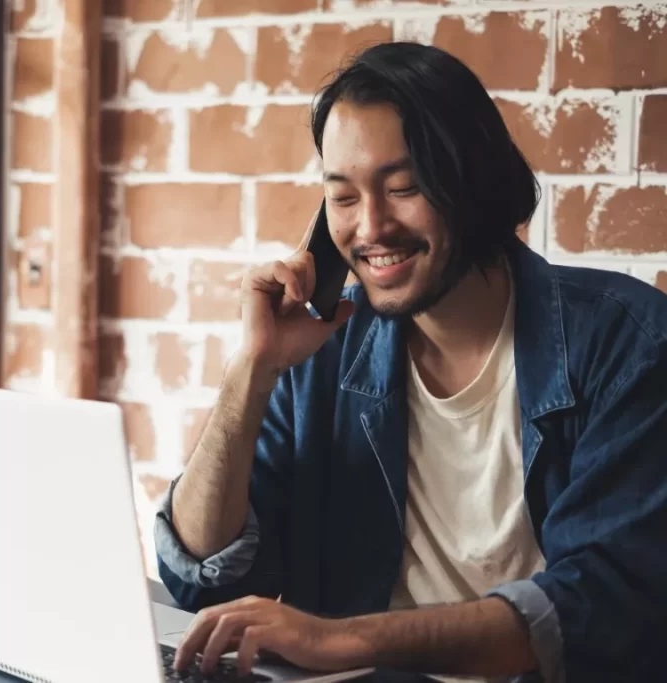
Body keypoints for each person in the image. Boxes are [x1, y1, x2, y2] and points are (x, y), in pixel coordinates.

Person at [154, 41, 667, 683]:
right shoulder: (320, 351)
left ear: (473, 183)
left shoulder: (628, 343)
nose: (371, 227)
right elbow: (200, 575)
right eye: (342, 198)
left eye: (404, 187)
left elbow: (599, 606)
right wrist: (250, 371)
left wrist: (342, 641)